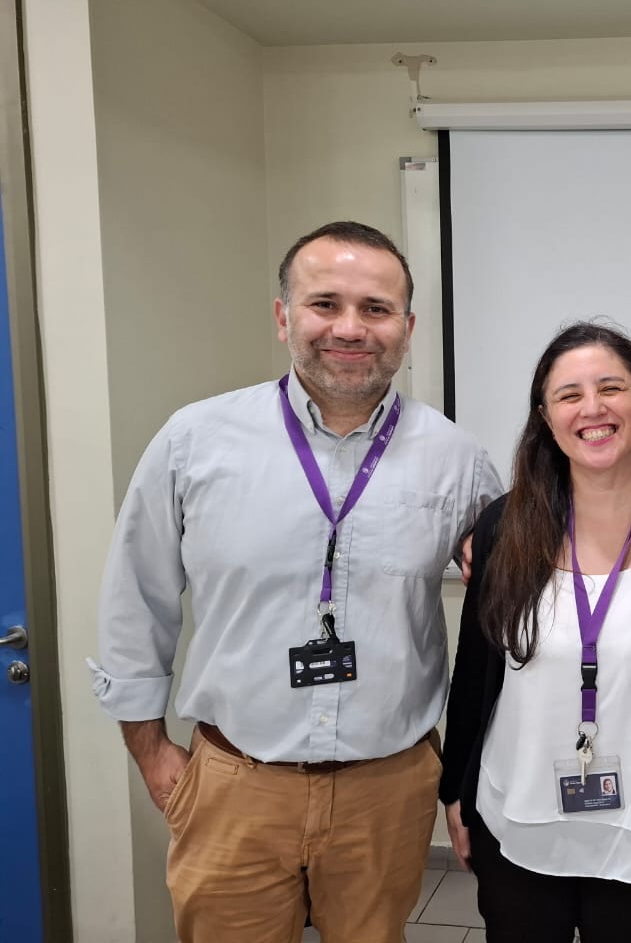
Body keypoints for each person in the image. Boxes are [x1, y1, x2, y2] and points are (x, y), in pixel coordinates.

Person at [89, 221, 502, 943]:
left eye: (376, 309)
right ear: (284, 316)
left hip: (387, 789)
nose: (350, 328)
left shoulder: (456, 459)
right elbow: (136, 600)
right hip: (235, 783)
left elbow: (509, 597)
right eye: (325, 304)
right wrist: (151, 753)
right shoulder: (194, 442)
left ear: (407, 329)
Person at [440, 322, 631, 943]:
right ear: (546, 418)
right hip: (519, 816)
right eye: (569, 395)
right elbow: (476, 668)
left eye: (611, 388)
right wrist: (456, 789)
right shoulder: (507, 523)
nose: (592, 408)